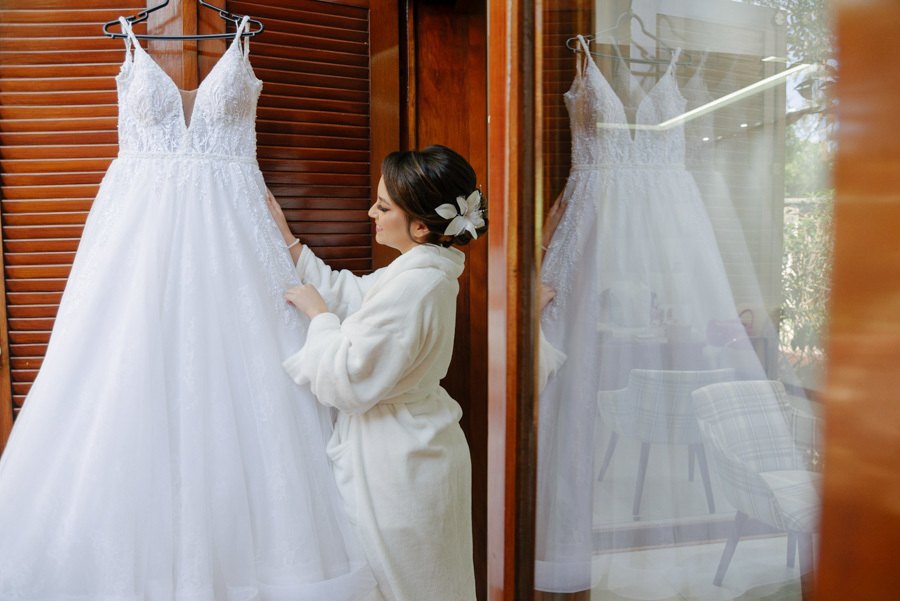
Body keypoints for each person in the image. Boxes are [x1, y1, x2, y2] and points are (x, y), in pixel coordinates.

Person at [265, 145, 483, 601]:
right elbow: (355, 295)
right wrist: (288, 241)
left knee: (402, 587)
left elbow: (346, 379)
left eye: (383, 207)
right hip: (418, 445)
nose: (371, 213)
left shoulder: (416, 286)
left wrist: (320, 316)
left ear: (420, 226)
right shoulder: (419, 272)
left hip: (398, 462)